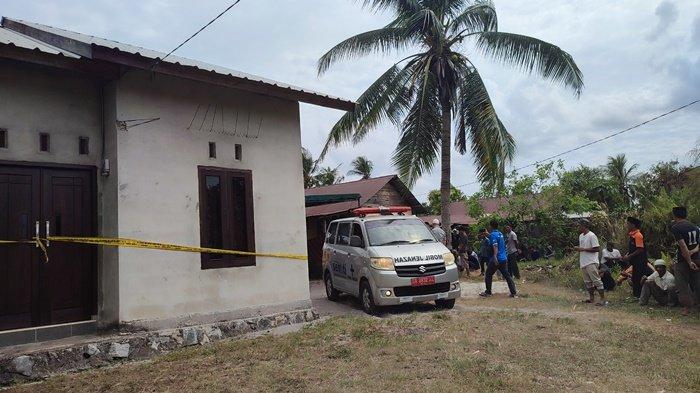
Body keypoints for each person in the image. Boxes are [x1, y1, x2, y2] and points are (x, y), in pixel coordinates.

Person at [670, 206, 700, 316]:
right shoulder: (695, 227)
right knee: (697, 282)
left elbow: (682, 246)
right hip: (697, 258)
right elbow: (698, 245)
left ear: (675, 215)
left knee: (681, 284)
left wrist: (688, 261)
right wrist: (692, 253)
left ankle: (687, 308)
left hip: (683, 261)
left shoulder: (676, 227)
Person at [480, 220, 517, 298]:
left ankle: (488, 292)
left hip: (496, 258)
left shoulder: (493, 235)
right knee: (507, 276)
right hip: (503, 258)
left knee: (488, 274)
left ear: (490, 226)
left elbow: (495, 246)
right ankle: (513, 292)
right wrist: (488, 235)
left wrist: (495, 257)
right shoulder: (500, 234)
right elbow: (497, 241)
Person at [575, 219, 606, 306]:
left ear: (584, 226)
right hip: (584, 261)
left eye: (579, 225)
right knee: (588, 282)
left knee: (596, 280)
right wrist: (580, 249)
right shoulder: (581, 236)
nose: (578, 227)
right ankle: (591, 298)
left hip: (591, 261)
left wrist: (583, 249)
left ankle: (602, 299)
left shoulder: (592, 235)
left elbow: (597, 249)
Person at [622, 217, 646, 298]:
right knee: (635, 277)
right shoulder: (632, 235)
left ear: (633, 225)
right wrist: (627, 255)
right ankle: (636, 295)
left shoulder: (638, 235)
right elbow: (633, 248)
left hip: (640, 261)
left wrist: (629, 257)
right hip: (635, 261)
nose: (627, 226)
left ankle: (639, 295)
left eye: (628, 224)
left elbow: (640, 249)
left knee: (638, 278)